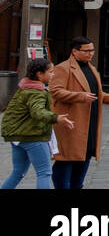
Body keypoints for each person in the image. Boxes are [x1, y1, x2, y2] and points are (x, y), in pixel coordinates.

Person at [49, 36, 109, 189]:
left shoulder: (91, 68)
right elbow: (55, 91)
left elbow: (94, 92)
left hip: (89, 122)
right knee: (66, 159)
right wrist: (79, 96)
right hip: (72, 121)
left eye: (92, 50)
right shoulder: (63, 68)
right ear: (75, 51)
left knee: (84, 156)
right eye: (87, 51)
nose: (91, 54)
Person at [1, 58, 73, 189]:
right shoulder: (36, 92)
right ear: (39, 74)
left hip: (17, 137)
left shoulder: (24, 87)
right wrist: (56, 118)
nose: (53, 74)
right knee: (44, 173)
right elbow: (38, 112)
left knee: (18, 172)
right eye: (51, 72)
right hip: (32, 136)